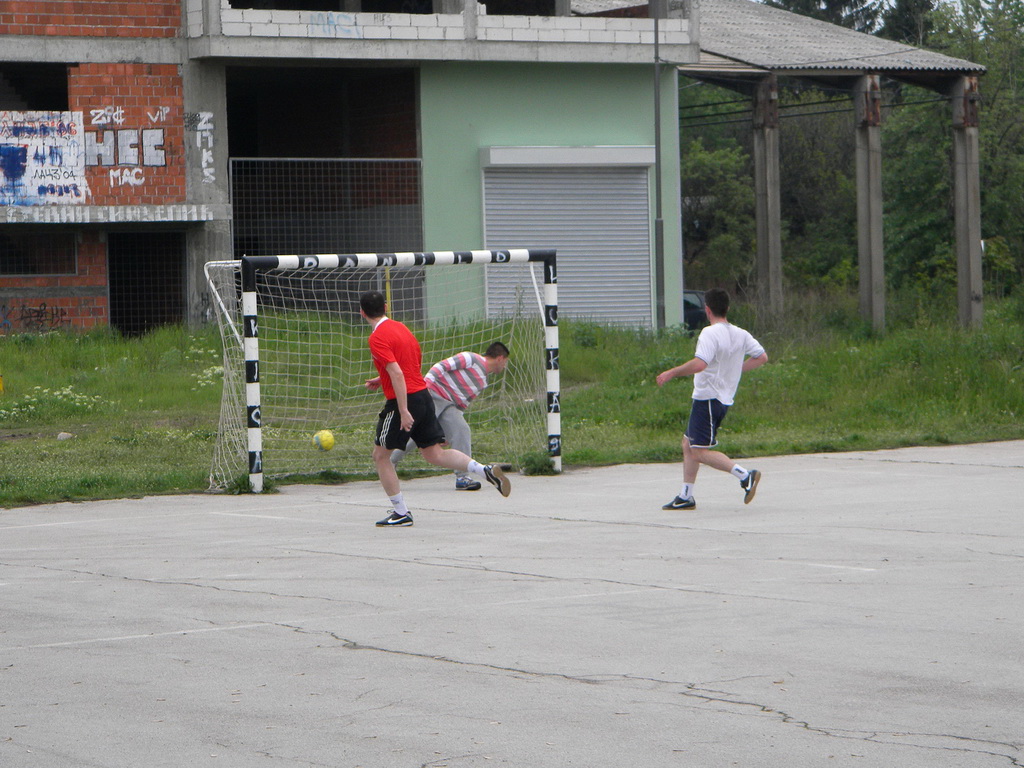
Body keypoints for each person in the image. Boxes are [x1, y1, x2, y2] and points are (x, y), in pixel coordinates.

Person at [359, 290, 510, 527]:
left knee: (380, 456)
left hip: (405, 399)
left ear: (362, 312)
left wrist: (403, 410)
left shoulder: (376, 337)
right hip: (424, 395)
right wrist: (382, 378)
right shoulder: (402, 328)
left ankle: (401, 512)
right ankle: (483, 469)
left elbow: (397, 372)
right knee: (434, 454)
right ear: (386, 307)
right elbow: (409, 363)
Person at [655, 288, 768, 510]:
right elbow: (761, 357)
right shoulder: (741, 333)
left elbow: (700, 363)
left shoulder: (709, 333)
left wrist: (672, 372)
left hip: (707, 398)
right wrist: (734, 370)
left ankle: (745, 475)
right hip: (722, 399)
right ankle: (686, 496)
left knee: (698, 451)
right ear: (727, 308)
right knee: (688, 443)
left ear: (707, 310)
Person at [390, 342, 511, 491]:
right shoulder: (471, 358)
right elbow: (440, 366)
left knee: (461, 430)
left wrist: (446, 432)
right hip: (433, 395)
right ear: (500, 358)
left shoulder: (483, 381)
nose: (504, 366)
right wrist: (426, 387)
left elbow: (462, 404)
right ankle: (389, 462)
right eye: (505, 362)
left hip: (450, 406)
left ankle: (463, 477)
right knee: (417, 434)